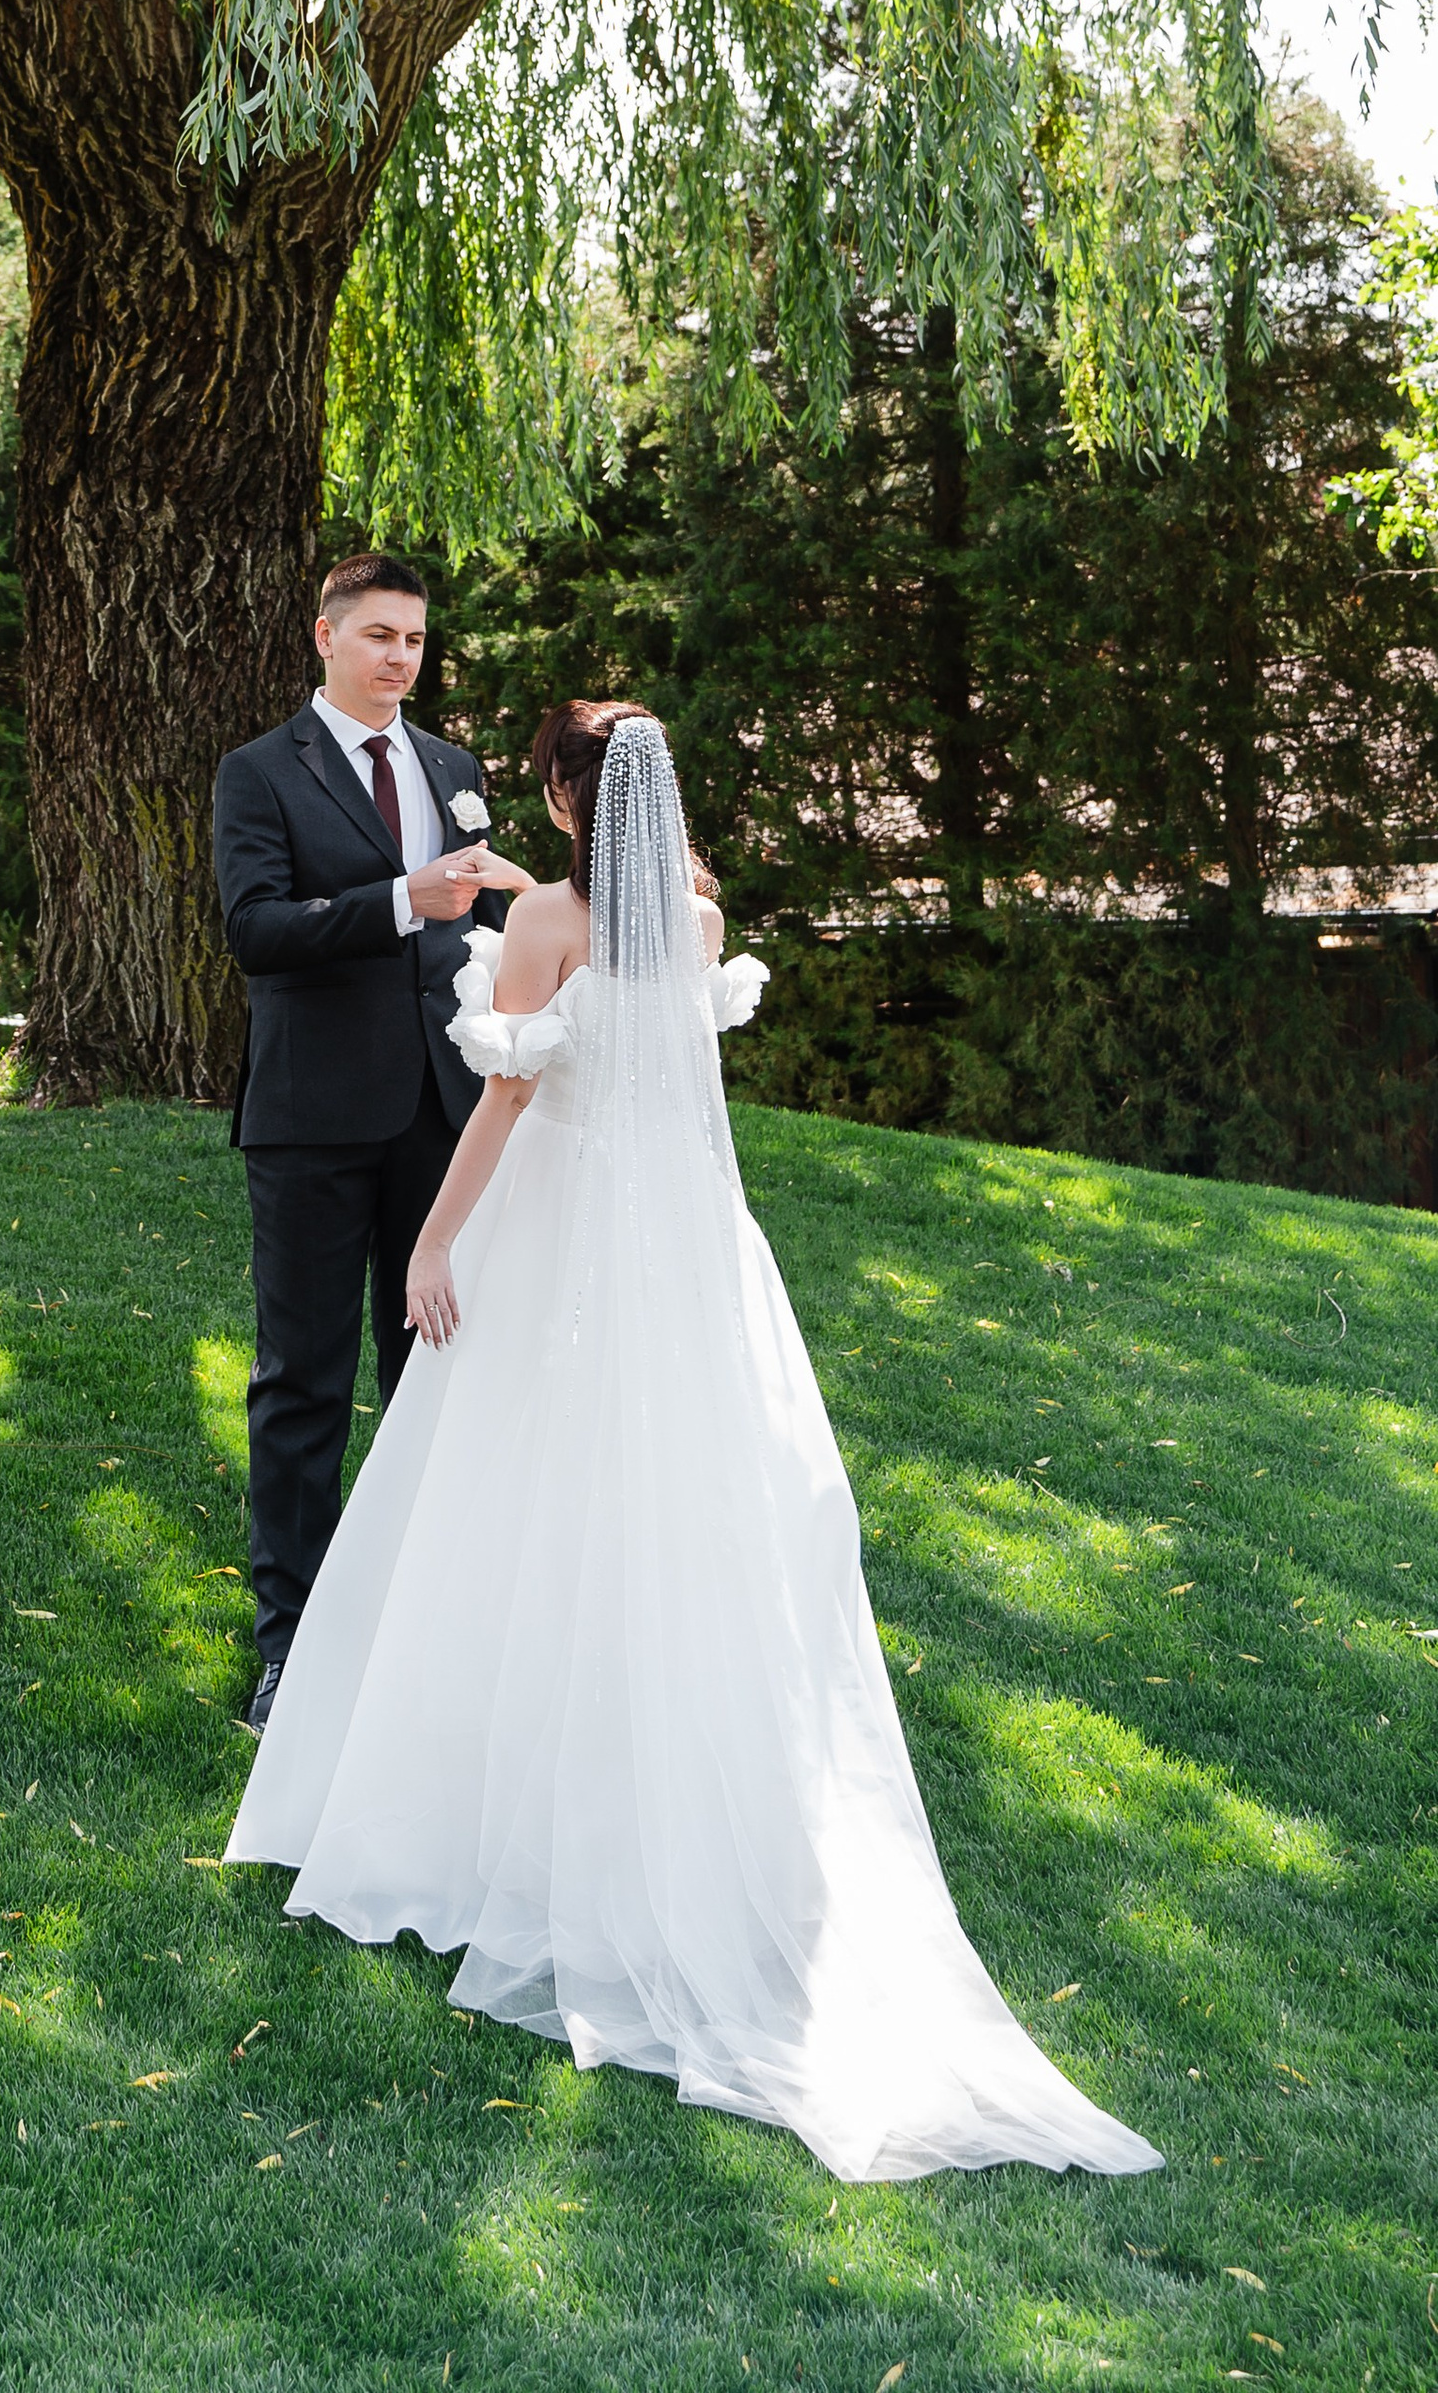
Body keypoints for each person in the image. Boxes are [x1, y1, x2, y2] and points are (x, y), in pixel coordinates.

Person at [225, 699, 1162, 2187]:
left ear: (556, 795)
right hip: (689, 1257)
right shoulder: (702, 917)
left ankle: (482, 1812)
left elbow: (503, 1100)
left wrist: (436, 1244)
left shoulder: (546, 920)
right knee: (667, 1515)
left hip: (557, 1238)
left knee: (505, 1507)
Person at [212, 554, 532, 1737]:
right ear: (326, 637)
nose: (401, 656)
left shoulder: (454, 768)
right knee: (301, 1382)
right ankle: (291, 1646)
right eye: (380, 635)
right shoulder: (258, 773)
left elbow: (490, 927)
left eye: (415, 639)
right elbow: (255, 931)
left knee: (427, 1377)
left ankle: (415, 1625)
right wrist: (403, 899)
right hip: (308, 1121)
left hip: (441, 1121)